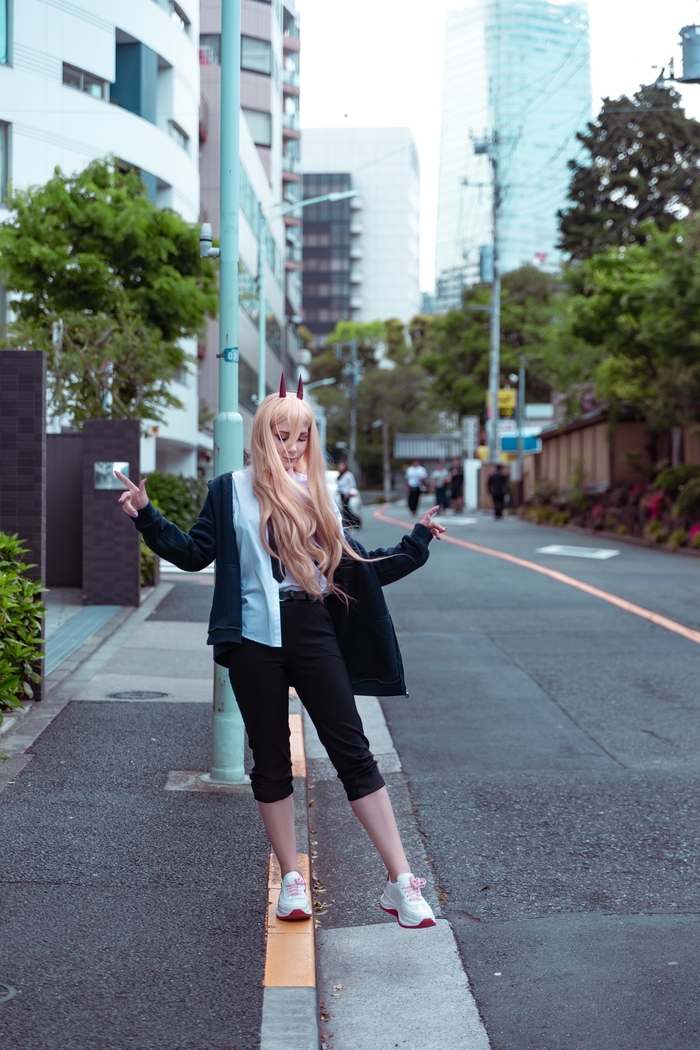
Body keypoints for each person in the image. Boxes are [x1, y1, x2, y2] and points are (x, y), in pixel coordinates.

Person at [115, 375, 446, 931]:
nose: (292, 447)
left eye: (302, 436)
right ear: (262, 435)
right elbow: (194, 553)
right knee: (270, 761)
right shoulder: (229, 489)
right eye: (282, 435)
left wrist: (416, 542)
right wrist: (147, 515)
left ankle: (401, 880)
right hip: (252, 637)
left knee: (353, 752)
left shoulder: (319, 493)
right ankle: (292, 879)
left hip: (313, 626)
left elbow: (356, 569)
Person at [336, 460, 361, 529]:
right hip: (341, 494)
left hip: (347, 494)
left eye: (342, 466)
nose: (340, 467)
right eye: (339, 466)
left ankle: (352, 522)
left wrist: (349, 492)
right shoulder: (340, 476)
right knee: (344, 508)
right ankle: (349, 523)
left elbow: (352, 484)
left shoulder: (348, 475)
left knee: (346, 509)